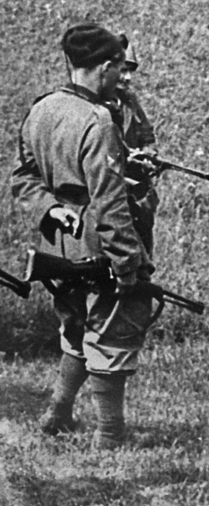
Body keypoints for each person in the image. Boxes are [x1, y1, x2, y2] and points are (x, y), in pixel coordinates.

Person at [12, 24, 154, 449]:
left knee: (75, 325)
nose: (121, 79)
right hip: (96, 243)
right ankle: (110, 436)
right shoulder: (99, 120)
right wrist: (130, 264)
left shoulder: (43, 109)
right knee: (114, 328)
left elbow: (23, 178)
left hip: (58, 241)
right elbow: (110, 204)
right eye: (117, 69)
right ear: (106, 66)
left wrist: (50, 209)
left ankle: (58, 413)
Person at [110, 42, 160, 252]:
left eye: (130, 71)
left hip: (139, 194)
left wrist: (149, 155)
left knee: (144, 255)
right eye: (122, 71)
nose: (128, 78)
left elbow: (147, 134)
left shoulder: (130, 100)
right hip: (113, 191)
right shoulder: (95, 106)